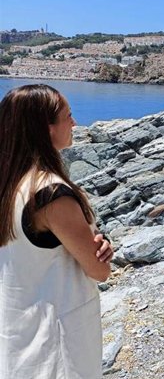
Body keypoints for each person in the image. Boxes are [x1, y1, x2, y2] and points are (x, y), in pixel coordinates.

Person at [0, 84, 113, 378]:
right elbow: (99, 271)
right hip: (57, 335)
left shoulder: (9, 186)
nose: (74, 123)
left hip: (17, 327)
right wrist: (101, 249)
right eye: (68, 116)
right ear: (46, 129)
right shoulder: (50, 194)